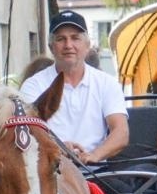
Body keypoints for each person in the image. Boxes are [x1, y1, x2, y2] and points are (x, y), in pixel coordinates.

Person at [18, 9, 129, 163]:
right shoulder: (33, 86)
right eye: (61, 39)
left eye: (75, 38)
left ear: (87, 45)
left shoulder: (106, 83)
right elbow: (27, 131)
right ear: (51, 47)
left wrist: (94, 155)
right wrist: (59, 148)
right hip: (53, 172)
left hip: (97, 171)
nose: (68, 45)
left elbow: (121, 132)